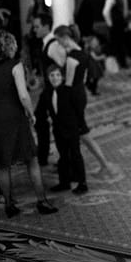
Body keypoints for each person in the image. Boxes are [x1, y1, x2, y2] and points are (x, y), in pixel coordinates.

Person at [0, 30, 58, 218]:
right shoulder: (15, 66)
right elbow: (23, 95)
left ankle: (9, 204)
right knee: (31, 158)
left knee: (2, 163)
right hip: (13, 114)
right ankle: (42, 201)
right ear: (10, 46)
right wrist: (31, 114)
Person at [53, 25, 116, 180]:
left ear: (64, 38)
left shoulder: (72, 58)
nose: (58, 44)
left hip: (73, 97)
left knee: (80, 134)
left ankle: (102, 166)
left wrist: (61, 103)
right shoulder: (82, 53)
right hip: (80, 94)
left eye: (58, 40)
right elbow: (84, 78)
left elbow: (68, 84)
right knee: (83, 134)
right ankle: (102, 165)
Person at [38, 64, 87, 195]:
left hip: (72, 128)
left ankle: (82, 183)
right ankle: (64, 182)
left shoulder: (68, 91)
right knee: (63, 156)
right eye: (52, 75)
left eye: (58, 75)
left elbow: (79, 108)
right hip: (58, 130)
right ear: (48, 78)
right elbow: (40, 110)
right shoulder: (46, 93)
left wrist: (80, 125)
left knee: (76, 155)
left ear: (62, 77)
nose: (55, 78)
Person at [32, 14, 67, 166]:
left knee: (56, 124)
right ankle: (43, 154)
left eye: (37, 26)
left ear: (47, 26)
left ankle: (59, 158)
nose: (34, 30)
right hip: (48, 89)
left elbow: (63, 66)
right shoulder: (46, 43)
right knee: (40, 118)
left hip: (54, 91)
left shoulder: (53, 45)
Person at [102, 0, 129, 69]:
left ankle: (123, 62)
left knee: (122, 43)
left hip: (121, 23)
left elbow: (125, 10)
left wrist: (125, 20)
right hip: (114, 24)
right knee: (114, 44)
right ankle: (114, 64)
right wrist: (110, 23)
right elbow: (106, 12)